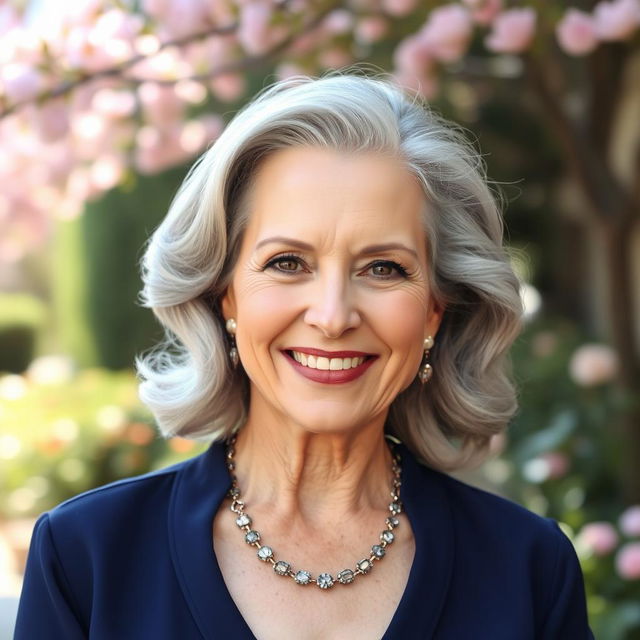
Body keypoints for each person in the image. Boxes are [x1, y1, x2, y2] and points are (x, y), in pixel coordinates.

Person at [14, 72, 594, 639]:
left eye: (383, 268)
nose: (334, 315)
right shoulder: (85, 558)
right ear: (224, 294)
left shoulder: (530, 570)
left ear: (435, 312)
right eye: (288, 263)